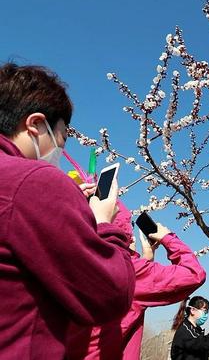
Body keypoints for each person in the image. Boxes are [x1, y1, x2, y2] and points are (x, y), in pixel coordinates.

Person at [0, 62, 135, 359]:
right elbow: (109, 295)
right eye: (62, 136)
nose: (62, 147)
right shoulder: (35, 181)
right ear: (35, 124)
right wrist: (103, 223)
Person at [67, 201, 207, 360]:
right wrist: (167, 238)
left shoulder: (69, 260)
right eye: (129, 226)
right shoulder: (132, 272)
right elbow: (194, 273)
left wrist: (146, 259)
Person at [171, 296, 209, 360]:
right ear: (192, 310)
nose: (206, 314)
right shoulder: (185, 330)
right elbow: (206, 345)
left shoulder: (196, 330)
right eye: (205, 311)